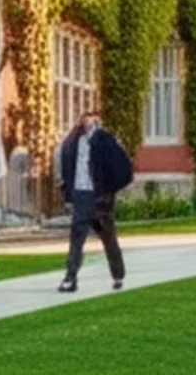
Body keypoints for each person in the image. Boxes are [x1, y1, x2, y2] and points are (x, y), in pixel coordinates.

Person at [56, 108, 131, 293]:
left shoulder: (104, 139)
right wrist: (68, 193)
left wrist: (109, 191)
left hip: (100, 197)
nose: (84, 121)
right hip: (81, 194)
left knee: (108, 237)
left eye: (88, 117)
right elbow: (65, 165)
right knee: (76, 238)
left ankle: (118, 274)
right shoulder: (73, 140)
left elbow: (120, 167)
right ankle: (70, 278)